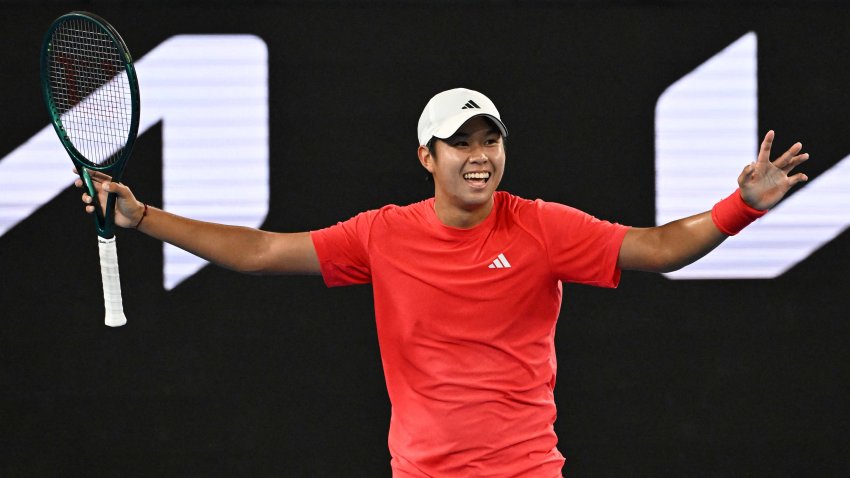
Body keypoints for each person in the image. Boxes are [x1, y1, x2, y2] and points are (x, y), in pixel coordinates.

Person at [77, 88, 809, 477]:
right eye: (460, 143)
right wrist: (143, 219)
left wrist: (740, 205)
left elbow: (656, 248)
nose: (479, 155)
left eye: (489, 139)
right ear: (427, 156)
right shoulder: (383, 234)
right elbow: (262, 253)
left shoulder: (541, 226)